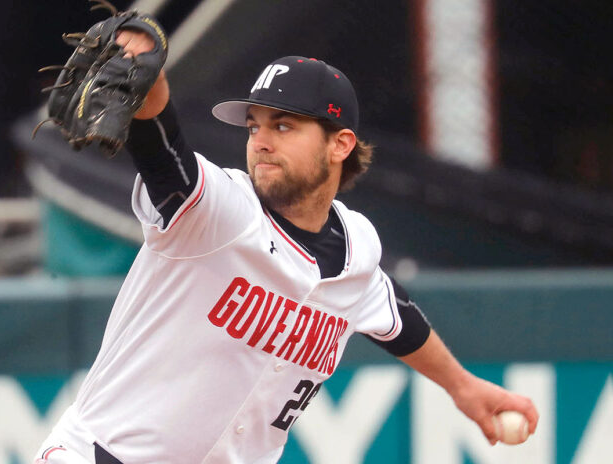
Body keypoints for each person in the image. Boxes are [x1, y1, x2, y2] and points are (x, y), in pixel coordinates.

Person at [35, 28, 539, 464]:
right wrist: (149, 75)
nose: (260, 140)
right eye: (255, 125)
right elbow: (163, 149)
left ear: (339, 144)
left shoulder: (357, 249)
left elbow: (394, 314)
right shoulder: (219, 211)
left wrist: (462, 386)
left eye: (284, 125)